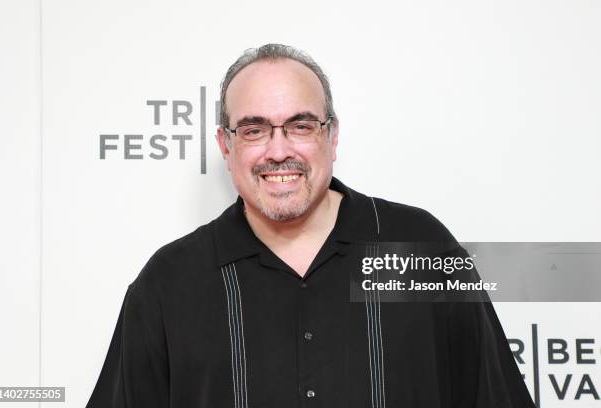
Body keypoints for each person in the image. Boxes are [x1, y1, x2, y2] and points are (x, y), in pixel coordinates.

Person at [86, 44, 536, 408]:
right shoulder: (168, 284)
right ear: (226, 145)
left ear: (332, 137)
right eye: (255, 129)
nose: (278, 151)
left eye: (300, 125)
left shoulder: (420, 250)